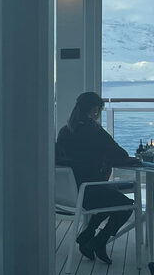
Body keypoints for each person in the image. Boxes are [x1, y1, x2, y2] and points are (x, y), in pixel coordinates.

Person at [56, 91, 136, 264]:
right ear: (94, 110)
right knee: (126, 205)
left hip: (69, 194)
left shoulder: (64, 131)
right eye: (99, 110)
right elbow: (121, 155)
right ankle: (98, 242)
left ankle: (88, 234)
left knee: (110, 197)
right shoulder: (93, 131)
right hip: (88, 192)